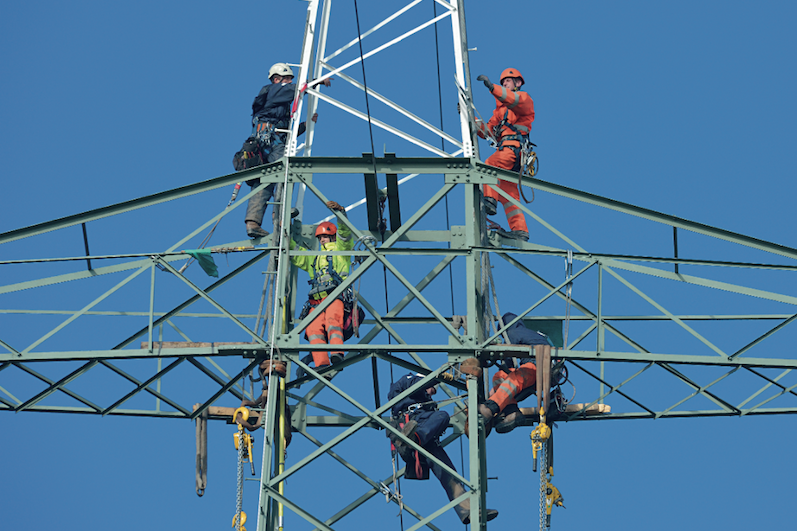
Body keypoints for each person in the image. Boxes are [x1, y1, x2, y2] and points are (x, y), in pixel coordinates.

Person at [388, 372, 498, 525]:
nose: (434, 391)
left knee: (448, 472)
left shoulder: (426, 403)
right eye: (433, 388)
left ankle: (468, 510)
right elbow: (412, 386)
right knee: (442, 416)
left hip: (423, 438)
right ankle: (414, 437)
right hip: (410, 424)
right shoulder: (408, 381)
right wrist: (435, 377)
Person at [244, 63, 331, 239]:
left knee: (264, 181)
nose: (290, 82)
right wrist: (318, 81)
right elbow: (297, 89)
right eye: (287, 79)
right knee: (285, 173)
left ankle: (253, 222)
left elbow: (285, 130)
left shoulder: (274, 102)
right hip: (272, 141)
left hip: (264, 143)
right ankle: (281, 215)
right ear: (277, 79)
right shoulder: (274, 90)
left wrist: (304, 126)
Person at [290, 201, 353, 374]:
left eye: (325, 237)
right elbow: (295, 253)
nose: (322, 240)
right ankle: (322, 364)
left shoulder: (341, 251)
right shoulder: (314, 258)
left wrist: (341, 214)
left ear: (333, 237)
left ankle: (337, 353)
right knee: (312, 328)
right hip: (316, 300)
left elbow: (346, 236)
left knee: (333, 321)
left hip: (335, 296)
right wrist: (284, 230)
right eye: (320, 238)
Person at [474, 68, 535, 241]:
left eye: (507, 80)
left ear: (518, 83)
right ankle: (520, 230)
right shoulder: (500, 112)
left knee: (489, 165)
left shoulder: (524, 99)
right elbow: (487, 130)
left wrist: (492, 87)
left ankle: (489, 201)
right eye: (503, 82)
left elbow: (512, 99)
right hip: (509, 154)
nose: (504, 83)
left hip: (513, 150)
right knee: (508, 193)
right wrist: (470, 119)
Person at [478, 312, 552, 435]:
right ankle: (511, 411)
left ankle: (491, 407)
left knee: (514, 378)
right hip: (535, 371)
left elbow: (507, 359)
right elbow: (506, 367)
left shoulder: (513, 333)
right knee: (500, 376)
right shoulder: (528, 334)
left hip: (538, 366)